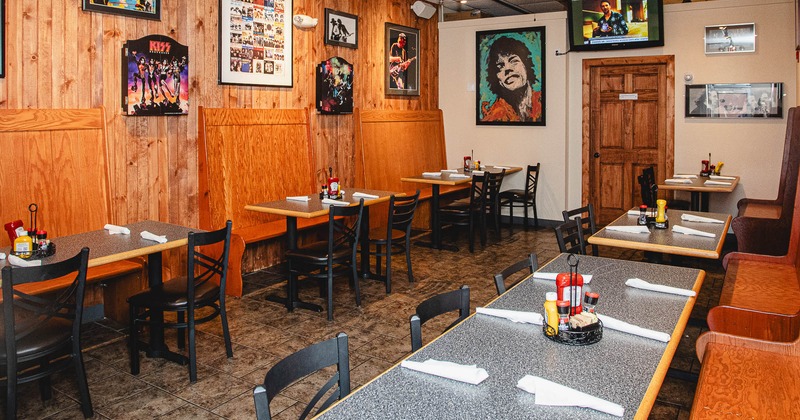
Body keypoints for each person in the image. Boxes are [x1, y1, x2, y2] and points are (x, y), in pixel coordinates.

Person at [479, 36, 542, 123]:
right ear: (498, 79)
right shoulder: (493, 116)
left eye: (513, 61)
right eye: (500, 66)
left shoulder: (542, 102)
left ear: (526, 66)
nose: (507, 69)